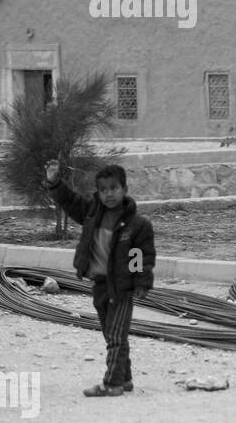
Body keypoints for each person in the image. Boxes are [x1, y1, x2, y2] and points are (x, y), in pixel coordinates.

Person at [45, 160, 155, 397]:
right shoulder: (92, 214)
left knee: (116, 336)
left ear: (124, 190)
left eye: (113, 188)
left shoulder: (137, 225)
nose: (109, 194)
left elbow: (139, 257)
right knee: (112, 335)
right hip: (100, 285)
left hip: (122, 289)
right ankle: (124, 378)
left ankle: (112, 383)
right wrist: (54, 182)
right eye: (103, 190)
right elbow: (71, 201)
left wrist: (140, 283)